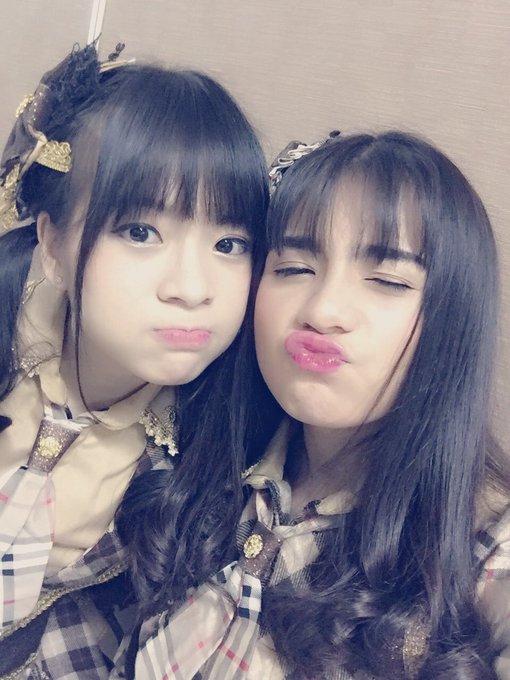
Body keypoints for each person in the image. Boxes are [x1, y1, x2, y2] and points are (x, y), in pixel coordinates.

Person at [119, 131, 510, 679]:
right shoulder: (195, 464)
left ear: (454, 320)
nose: (322, 311)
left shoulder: (486, 549)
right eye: (295, 269)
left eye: (388, 280)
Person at [0, 41, 268, 679]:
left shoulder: (222, 447)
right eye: (141, 232)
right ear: (52, 243)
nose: (192, 288)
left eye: (229, 243)